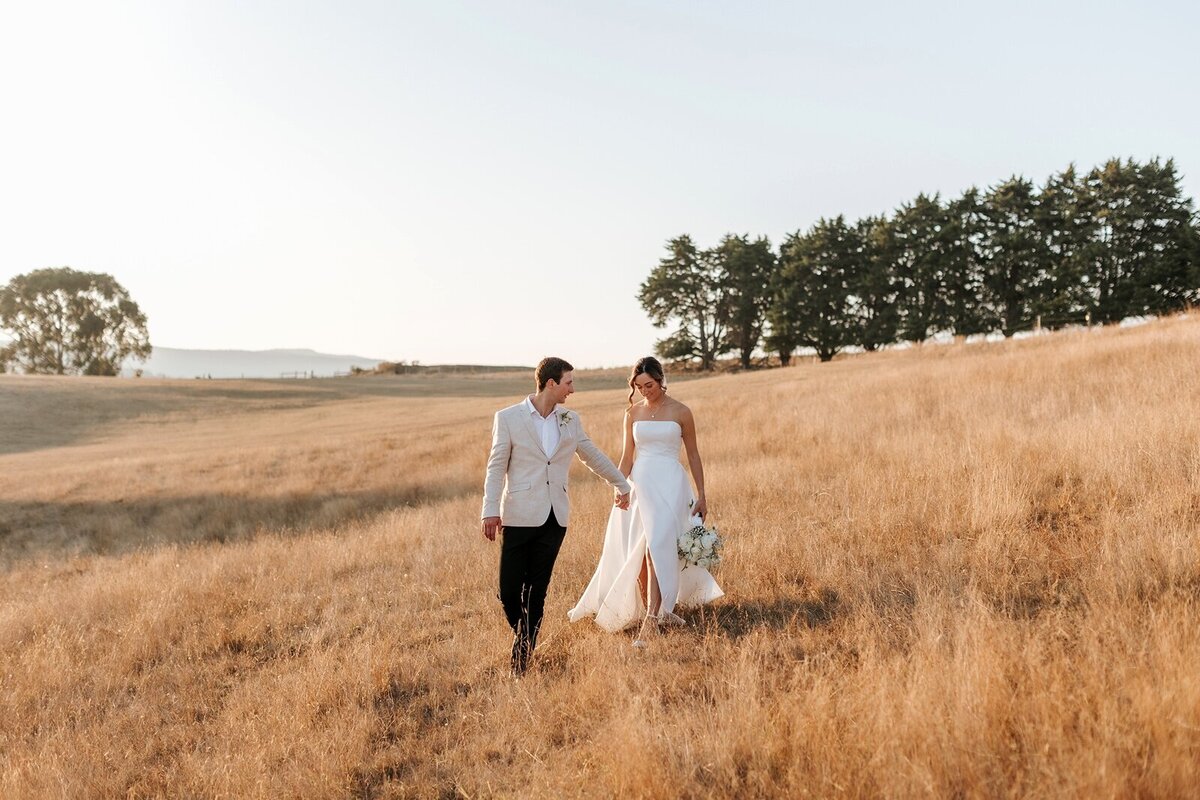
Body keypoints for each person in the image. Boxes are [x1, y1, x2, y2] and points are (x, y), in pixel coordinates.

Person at [481, 357, 631, 675]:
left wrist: (621, 484)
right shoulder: (508, 418)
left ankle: (521, 657)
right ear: (551, 383)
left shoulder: (570, 420)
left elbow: (592, 455)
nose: (572, 389)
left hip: (555, 517)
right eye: (568, 382)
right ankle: (524, 636)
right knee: (509, 591)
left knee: (537, 590)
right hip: (518, 515)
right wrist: (490, 510)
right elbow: (495, 467)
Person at [568, 356, 723, 645]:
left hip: (671, 485)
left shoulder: (682, 412)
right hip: (640, 485)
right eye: (638, 386)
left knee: (657, 548)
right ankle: (660, 609)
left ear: (661, 379)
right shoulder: (632, 413)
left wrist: (702, 495)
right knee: (640, 553)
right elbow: (627, 457)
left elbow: (693, 455)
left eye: (649, 385)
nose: (644, 391)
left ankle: (651, 621)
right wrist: (619, 486)